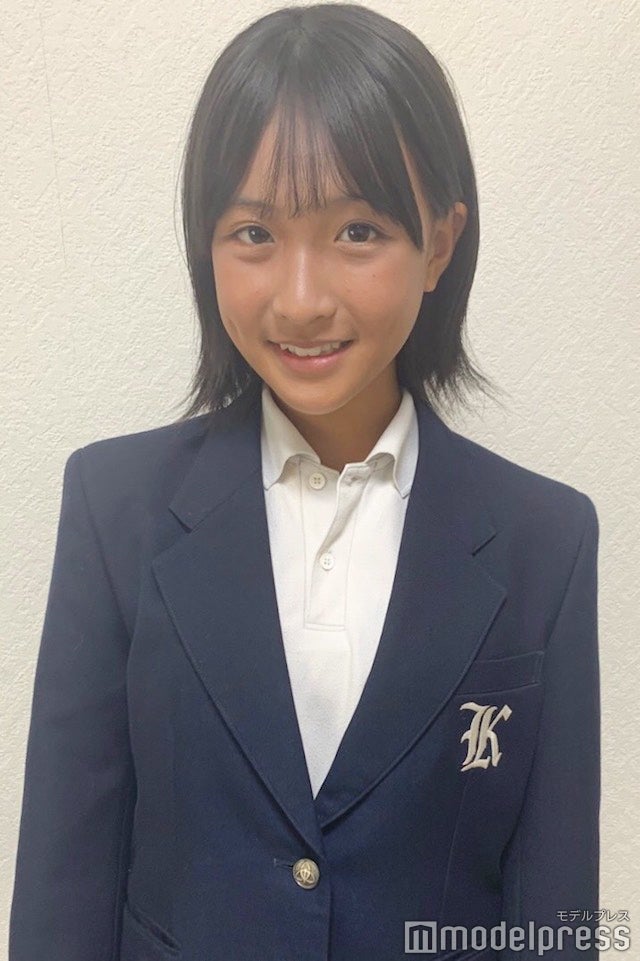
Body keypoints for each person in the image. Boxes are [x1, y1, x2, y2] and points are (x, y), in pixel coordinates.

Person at [9, 4, 600, 960]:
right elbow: (61, 885)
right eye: (253, 232)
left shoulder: (546, 539)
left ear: (439, 244)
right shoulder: (114, 509)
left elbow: (556, 915)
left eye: (357, 230)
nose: (300, 297)